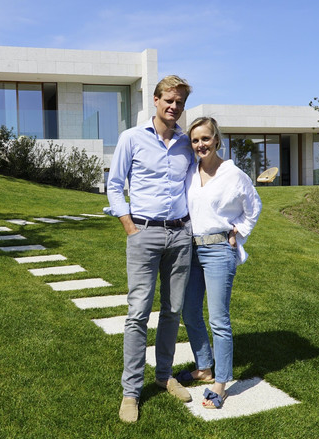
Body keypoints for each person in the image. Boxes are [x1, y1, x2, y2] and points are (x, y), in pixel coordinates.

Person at [106, 75, 195, 423]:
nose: (174, 106)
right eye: (168, 100)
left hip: (180, 235)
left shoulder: (187, 143)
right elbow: (114, 185)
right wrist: (130, 227)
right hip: (144, 233)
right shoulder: (131, 138)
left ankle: (164, 376)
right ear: (156, 100)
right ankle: (130, 392)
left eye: (179, 102)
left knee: (172, 311)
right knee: (138, 313)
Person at [176, 116, 262, 409]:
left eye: (205, 138)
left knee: (218, 319)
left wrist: (239, 231)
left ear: (216, 140)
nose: (200, 144)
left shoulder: (233, 174)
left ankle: (221, 384)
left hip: (218, 251)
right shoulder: (191, 171)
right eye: (195, 140)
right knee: (190, 311)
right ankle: (203, 368)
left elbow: (254, 206)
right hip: (191, 249)